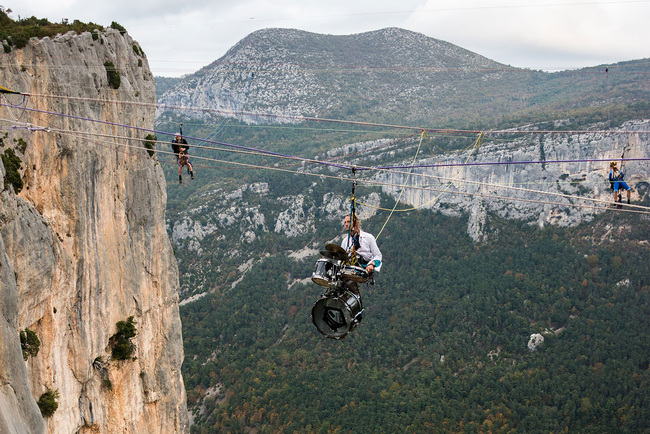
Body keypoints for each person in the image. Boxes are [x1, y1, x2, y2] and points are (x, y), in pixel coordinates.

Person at [340, 214, 382, 278]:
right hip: (349, 271)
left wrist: (371, 264)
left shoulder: (368, 238)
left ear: (356, 223)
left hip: (363, 270)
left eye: (348, 222)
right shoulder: (345, 241)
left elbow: (378, 255)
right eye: (345, 222)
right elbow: (341, 258)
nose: (346, 224)